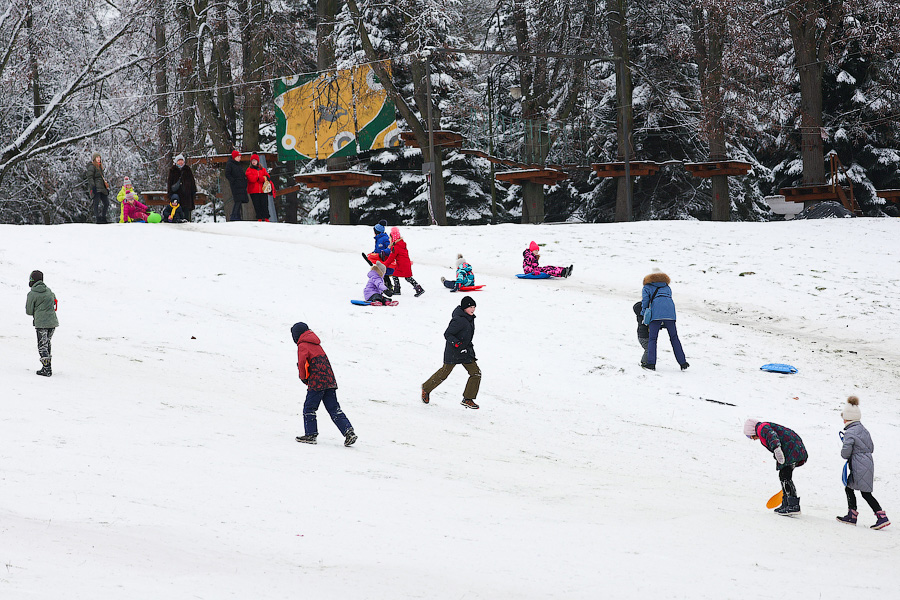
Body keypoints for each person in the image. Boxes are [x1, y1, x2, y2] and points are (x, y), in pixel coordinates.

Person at [292, 322, 357, 446]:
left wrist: (303, 378)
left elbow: (302, 364)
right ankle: (348, 431)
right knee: (334, 408)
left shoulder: (303, 345)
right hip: (329, 379)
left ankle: (311, 434)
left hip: (317, 381)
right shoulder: (316, 344)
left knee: (309, 407)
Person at [836, 396, 890, 529]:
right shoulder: (863, 429)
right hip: (867, 463)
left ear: (847, 418)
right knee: (850, 487)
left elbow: (845, 454)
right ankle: (852, 515)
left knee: (864, 493)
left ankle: (881, 516)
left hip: (858, 464)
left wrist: (847, 448)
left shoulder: (850, 432)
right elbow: (871, 447)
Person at [421, 296, 481, 409]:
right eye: (470, 307)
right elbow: (447, 334)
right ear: (464, 308)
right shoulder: (459, 319)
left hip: (466, 351)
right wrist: (457, 344)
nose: (473, 309)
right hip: (454, 350)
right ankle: (426, 388)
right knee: (444, 373)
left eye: (474, 307)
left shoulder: (470, 318)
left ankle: (468, 399)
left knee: (476, 373)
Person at [745, 419, 808, 515]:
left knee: (785, 475)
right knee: (784, 475)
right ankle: (786, 503)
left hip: (792, 449)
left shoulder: (762, 428)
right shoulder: (762, 430)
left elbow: (773, 438)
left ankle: (793, 505)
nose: (752, 439)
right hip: (792, 448)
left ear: (751, 430)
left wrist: (777, 450)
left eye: (749, 436)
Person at [640, 269, 688, 371]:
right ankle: (683, 362)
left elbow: (645, 302)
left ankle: (651, 364)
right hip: (670, 314)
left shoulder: (647, 287)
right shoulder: (667, 287)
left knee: (653, 339)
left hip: (656, 314)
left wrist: (643, 314)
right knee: (674, 338)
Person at [25, 270, 59, 377]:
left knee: (42, 345)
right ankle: (47, 366)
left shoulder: (32, 294)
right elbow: (54, 301)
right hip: (52, 323)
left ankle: (46, 369)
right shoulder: (49, 291)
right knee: (47, 343)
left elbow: (29, 311)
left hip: (41, 324)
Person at [383, 227, 424, 297]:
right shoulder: (402, 244)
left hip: (402, 265)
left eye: (390, 238)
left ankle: (419, 289)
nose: (389, 240)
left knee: (407, 277)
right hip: (404, 264)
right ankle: (397, 289)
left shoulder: (395, 247)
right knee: (396, 275)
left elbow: (391, 258)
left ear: (393, 238)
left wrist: (384, 265)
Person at [168, 154, 197, 222]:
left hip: (187, 193)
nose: (180, 162)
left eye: (182, 160)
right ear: (176, 162)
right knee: (177, 208)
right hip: (176, 193)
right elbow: (169, 182)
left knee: (186, 208)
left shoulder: (187, 169)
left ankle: (186, 220)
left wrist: (193, 190)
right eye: (179, 161)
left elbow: (192, 180)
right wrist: (170, 193)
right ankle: (177, 220)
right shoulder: (173, 170)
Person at [246, 153, 274, 222]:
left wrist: (260, 178)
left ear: (257, 161)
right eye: (252, 160)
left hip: (263, 190)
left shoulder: (263, 169)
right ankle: (259, 218)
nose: (253, 162)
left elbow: (267, 177)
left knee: (264, 204)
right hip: (253, 191)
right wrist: (260, 178)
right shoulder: (249, 170)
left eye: (255, 160)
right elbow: (251, 179)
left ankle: (266, 218)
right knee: (257, 205)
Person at [84, 153, 110, 224]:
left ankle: (103, 217)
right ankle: (98, 218)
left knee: (106, 203)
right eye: (97, 157)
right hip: (96, 187)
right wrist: (93, 186)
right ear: (94, 158)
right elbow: (90, 177)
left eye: (99, 157)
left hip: (102, 188)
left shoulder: (100, 167)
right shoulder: (92, 167)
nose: (98, 159)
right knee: (96, 203)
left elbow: (102, 178)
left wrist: (106, 188)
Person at [224, 150, 248, 221]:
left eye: (240, 157)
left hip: (241, 185)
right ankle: (234, 215)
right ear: (234, 157)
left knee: (240, 201)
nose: (239, 158)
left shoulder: (238, 165)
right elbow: (227, 174)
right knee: (238, 200)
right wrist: (233, 181)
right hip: (236, 185)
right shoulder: (230, 164)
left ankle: (237, 216)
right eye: (238, 157)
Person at [632, 301, 650, 366]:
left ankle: (647, 361)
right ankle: (644, 362)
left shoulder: (640, 317)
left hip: (641, 336)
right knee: (648, 349)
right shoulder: (643, 318)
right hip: (644, 337)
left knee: (649, 349)